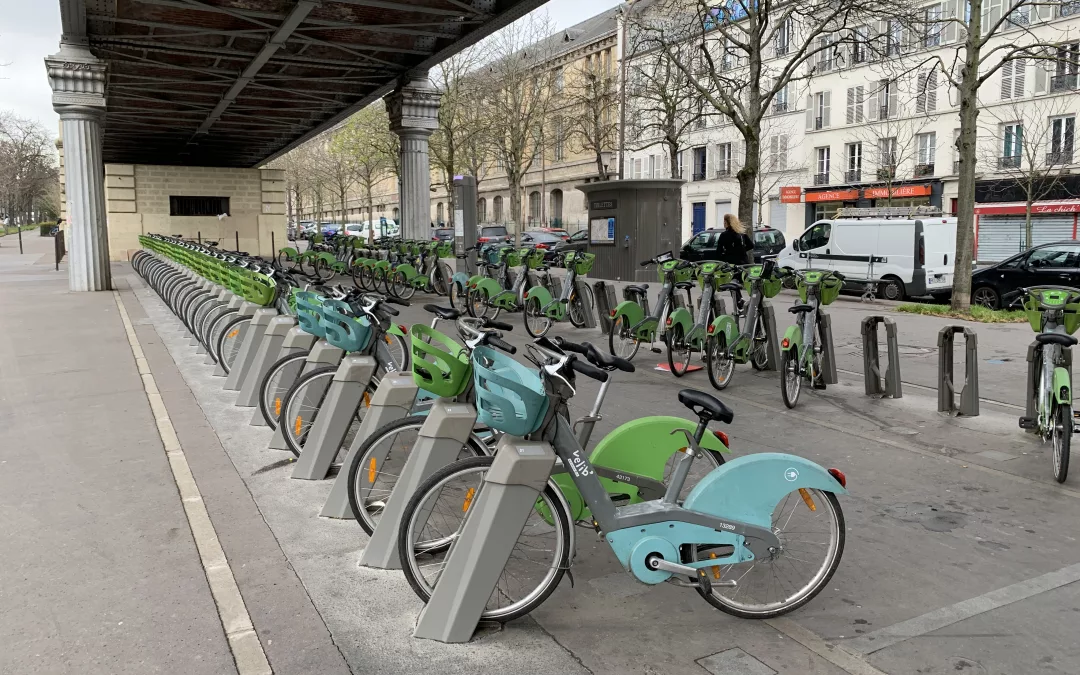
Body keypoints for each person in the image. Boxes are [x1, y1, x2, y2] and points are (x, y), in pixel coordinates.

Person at [715, 213, 754, 310]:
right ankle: (747, 304)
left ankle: (740, 307)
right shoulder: (741, 234)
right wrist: (742, 250)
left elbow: (718, 251)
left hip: (732, 264)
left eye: (724, 222)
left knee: (732, 285)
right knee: (743, 284)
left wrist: (723, 258)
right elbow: (751, 245)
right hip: (744, 263)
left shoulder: (724, 235)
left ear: (727, 223)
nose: (723, 224)